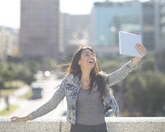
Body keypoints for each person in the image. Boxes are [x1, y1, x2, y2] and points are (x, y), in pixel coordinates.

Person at [11, 44, 147, 132]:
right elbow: (52, 104)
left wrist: (136, 59)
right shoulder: (68, 82)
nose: (91, 56)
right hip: (77, 129)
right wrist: (27, 117)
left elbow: (120, 74)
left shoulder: (101, 80)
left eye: (92, 54)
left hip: (99, 128)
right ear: (79, 61)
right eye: (87, 54)